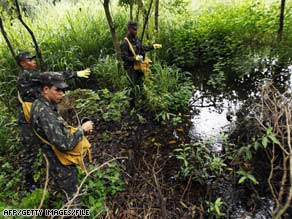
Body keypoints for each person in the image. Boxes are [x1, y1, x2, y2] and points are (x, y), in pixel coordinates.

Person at [16, 51, 90, 191]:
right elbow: (50, 76)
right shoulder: (27, 75)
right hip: (28, 118)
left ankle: (49, 175)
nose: (33, 61)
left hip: (35, 112)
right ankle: (29, 181)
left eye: (33, 58)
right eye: (29, 59)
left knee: (45, 143)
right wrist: (74, 73)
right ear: (22, 63)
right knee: (31, 149)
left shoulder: (32, 78)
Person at [30, 72, 94, 201]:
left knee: (65, 194)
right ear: (46, 89)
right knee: (73, 199)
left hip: (53, 160)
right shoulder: (45, 113)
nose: (62, 94)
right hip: (60, 163)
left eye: (63, 90)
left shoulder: (39, 104)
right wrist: (82, 130)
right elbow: (64, 144)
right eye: (57, 90)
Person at [120, 21, 162, 107]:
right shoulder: (125, 42)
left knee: (141, 84)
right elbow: (124, 57)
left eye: (136, 29)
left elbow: (142, 48)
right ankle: (132, 106)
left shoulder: (137, 39)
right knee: (132, 87)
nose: (136, 31)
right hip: (131, 68)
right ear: (129, 29)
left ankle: (141, 102)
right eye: (134, 29)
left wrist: (153, 46)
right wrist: (134, 58)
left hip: (139, 66)